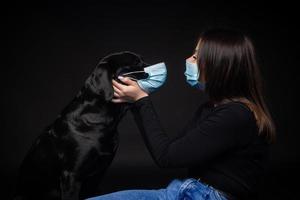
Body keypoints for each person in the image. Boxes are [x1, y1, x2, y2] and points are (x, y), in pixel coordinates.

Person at [86, 28, 276, 200]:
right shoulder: (211, 109)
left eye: (196, 56)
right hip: (184, 191)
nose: (188, 60)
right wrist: (137, 101)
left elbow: (167, 157)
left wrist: (141, 101)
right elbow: (171, 149)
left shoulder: (235, 116)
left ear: (218, 66)